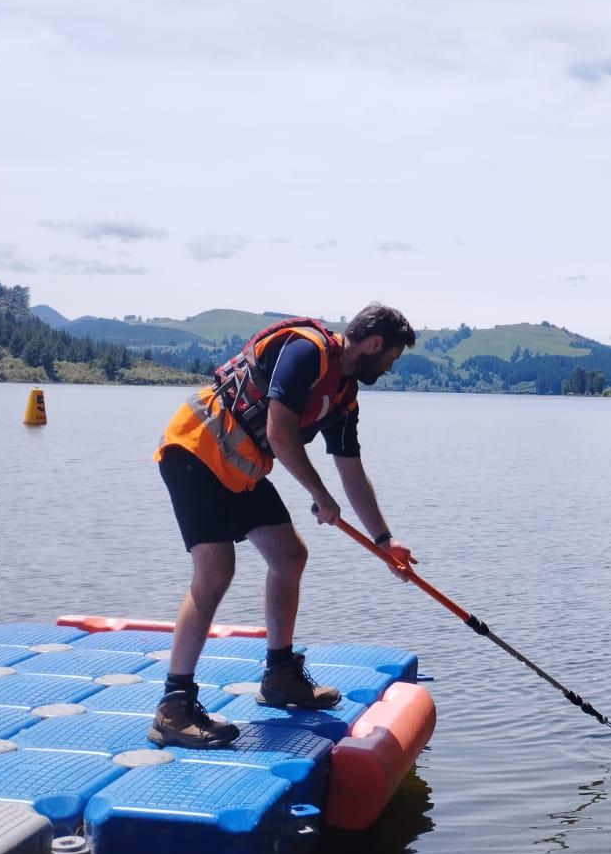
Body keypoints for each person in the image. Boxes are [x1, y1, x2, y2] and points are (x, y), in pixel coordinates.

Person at [147, 302, 418, 748]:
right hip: (195, 448)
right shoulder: (306, 351)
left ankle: (279, 676)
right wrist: (320, 496)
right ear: (374, 344)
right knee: (216, 570)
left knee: (290, 555)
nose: (390, 367)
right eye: (392, 357)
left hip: (243, 467)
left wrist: (384, 540)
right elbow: (279, 432)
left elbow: (351, 468)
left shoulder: (345, 394)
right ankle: (174, 707)